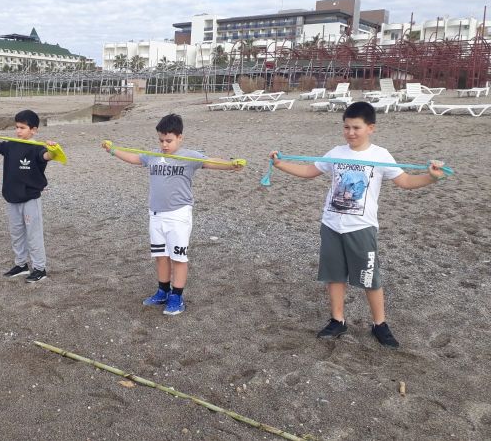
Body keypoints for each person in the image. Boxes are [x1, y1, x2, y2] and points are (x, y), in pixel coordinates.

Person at [268, 101, 448, 347]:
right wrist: (280, 165)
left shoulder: (380, 155)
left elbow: (404, 181)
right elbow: (311, 170)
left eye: (356, 128)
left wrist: (431, 178)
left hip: (361, 228)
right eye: (346, 127)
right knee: (334, 277)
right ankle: (337, 320)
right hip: (331, 225)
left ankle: (380, 324)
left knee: (369, 278)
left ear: (370, 128)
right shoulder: (336, 153)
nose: (350, 133)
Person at [102, 113, 244, 315]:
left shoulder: (189, 157)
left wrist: (231, 165)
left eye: (169, 141)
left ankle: (177, 296)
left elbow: (211, 162)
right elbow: (134, 158)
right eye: (161, 140)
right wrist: (113, 150)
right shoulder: (153, 155)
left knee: (178, 258)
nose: (164, 145)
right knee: (161, 256)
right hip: (156, 214)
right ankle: (162, 291)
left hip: (178, 215)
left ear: (180, 138)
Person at [0, 110, 55, 283]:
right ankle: (21, 264)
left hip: (30, 198)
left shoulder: (37, 147)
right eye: (17, 127)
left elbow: (47, 156)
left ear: (34, 130)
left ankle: (39, 268)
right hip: (12, 197)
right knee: (16, 233)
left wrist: (53, 149)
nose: (18, 131)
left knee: (33, 234)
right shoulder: (11, 145)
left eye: (22, 128)